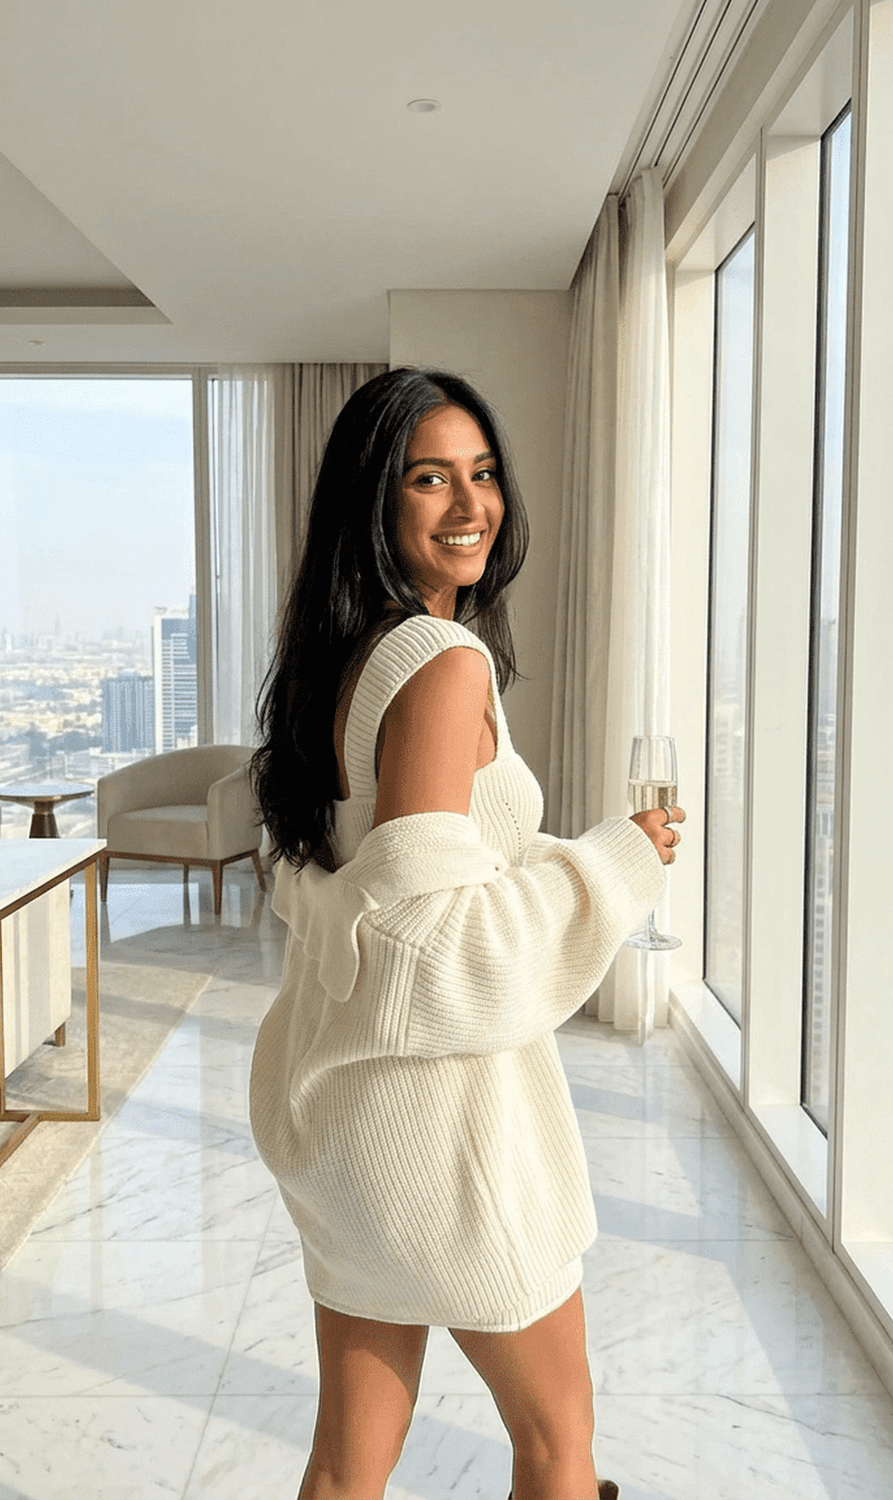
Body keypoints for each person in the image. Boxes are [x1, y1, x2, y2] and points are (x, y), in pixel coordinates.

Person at [249, 367, 684, 1500]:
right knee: (558, 1439)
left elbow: (359, 882)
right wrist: (616, 862)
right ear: (374, 503)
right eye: (429, 478)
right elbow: (424, 941)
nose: (469, 504)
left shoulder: (340, 663)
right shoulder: (443, 665)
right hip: (443, 1140)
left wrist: (534, 860)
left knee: (349, 1463)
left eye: (482, 474)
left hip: (345, 1129)